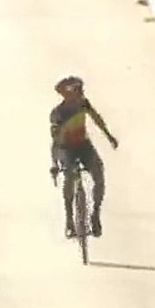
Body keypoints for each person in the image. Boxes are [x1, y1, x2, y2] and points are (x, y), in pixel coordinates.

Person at [48, 76, 119, 238]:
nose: (81, 94)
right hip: (66, 149)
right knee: (69, 177)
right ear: (67, 94)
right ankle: (69, 221)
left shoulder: (83, 104)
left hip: (83, 145)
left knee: (99, 174)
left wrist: (109, 136)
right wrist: (54, 163)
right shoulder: (58, 113)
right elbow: (54, 141)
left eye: (81, 91)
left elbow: (97, 119)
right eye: (77, 91)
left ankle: (95, 215)